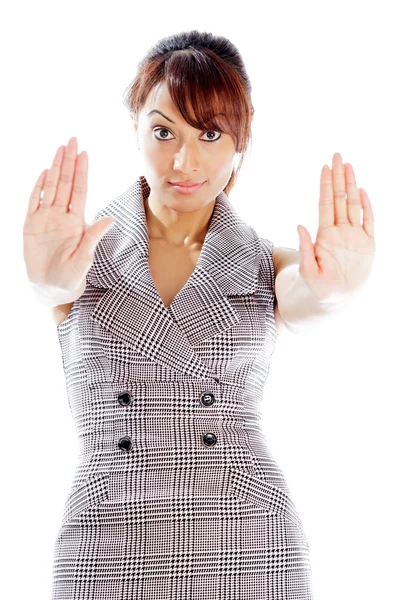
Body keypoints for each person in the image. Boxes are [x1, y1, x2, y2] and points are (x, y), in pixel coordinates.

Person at [23, 29, 375, 600]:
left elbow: (303, 297)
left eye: (210, 134)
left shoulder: (264, 261)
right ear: (134, 128)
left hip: (248, 536)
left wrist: (334, 293)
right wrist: (43, 278)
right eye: (164, 131)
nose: (185, 160)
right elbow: (52, 289)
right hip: (107, 536)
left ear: (240, 141)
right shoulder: (79, 256)